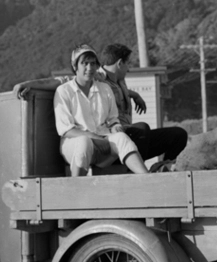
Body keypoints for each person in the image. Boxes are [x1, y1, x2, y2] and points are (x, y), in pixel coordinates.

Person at [54, 44, 149, 177]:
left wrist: (116, 127)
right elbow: (66, 130)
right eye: (84, 63)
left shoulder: (105, 89)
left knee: (122, 138)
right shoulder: (64, 91)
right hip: (74, 145)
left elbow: (113, 119)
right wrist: (96, 138)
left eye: (93, 63)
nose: (89, 68)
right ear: (75, 66)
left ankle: (148, 178)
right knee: (84, 142)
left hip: (103, 142)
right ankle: (75, 187)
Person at [99, 43, 188, 162]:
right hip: (111, 142)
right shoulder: (97, 80)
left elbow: (116, 90)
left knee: (178, 134)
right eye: (127, 63)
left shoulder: (119, 79)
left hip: (131, 138)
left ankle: (164, 168)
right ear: (120, 63)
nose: (129, 68)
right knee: (141, 128)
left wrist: (134, 94)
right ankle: (138, 173)